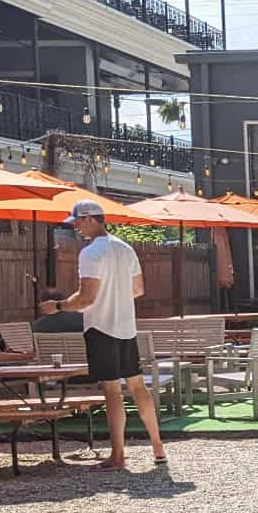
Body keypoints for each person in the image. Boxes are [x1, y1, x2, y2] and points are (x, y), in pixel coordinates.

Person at [40, 201, 166, 469]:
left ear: (88, 220)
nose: (74, 226)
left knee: (112, 392)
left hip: (101, 328)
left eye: (76, 221)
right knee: (138, 387)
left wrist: (58, 307)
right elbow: (138, 289)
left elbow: (86, 298)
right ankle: (157, 446)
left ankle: (118, 455)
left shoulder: (90, 252)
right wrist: (116, 297)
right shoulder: (125, 248)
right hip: (126, 327)